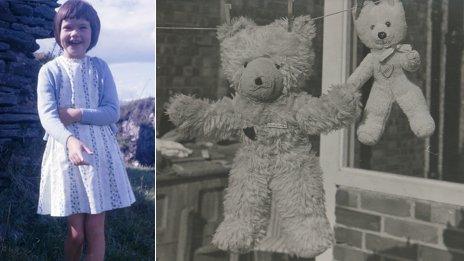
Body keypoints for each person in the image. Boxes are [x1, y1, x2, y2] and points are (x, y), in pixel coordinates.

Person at [36, 1, 135, 260]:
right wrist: (69, 140)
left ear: (93, 33)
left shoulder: (100, 68)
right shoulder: (49, 71)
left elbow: (112, 111)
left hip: (99, 154)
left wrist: (75, 113)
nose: (75, 34)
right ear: (58, 32)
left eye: (83, 27)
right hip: (65, 156)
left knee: (95, 229)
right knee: (76, 233)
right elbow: (48, 117)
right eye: (68, 27)